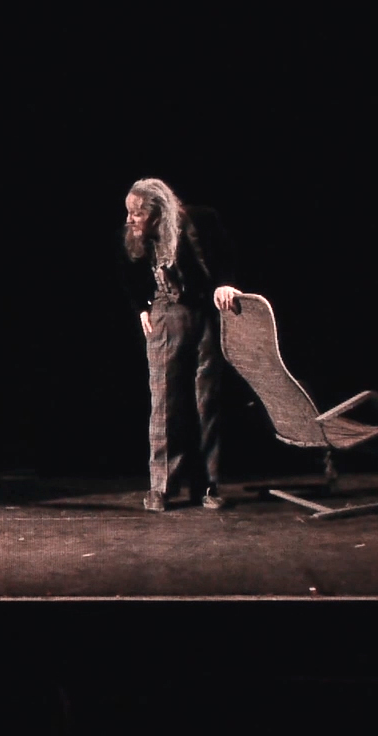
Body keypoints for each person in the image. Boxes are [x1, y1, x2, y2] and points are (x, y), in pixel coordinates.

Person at [119, 177, 240, 512]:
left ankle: (208, 486)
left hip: (205, 312)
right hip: (166, 311)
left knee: (206, 401)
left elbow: (226, 256)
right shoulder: (133, 234)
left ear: (158, 211)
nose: (130, 219)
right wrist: (141, 307)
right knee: (165, 399)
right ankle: (162, 486)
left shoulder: (200, 220)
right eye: (129, 212)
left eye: (138, 213)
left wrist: (225, 284)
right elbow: (128, 270)